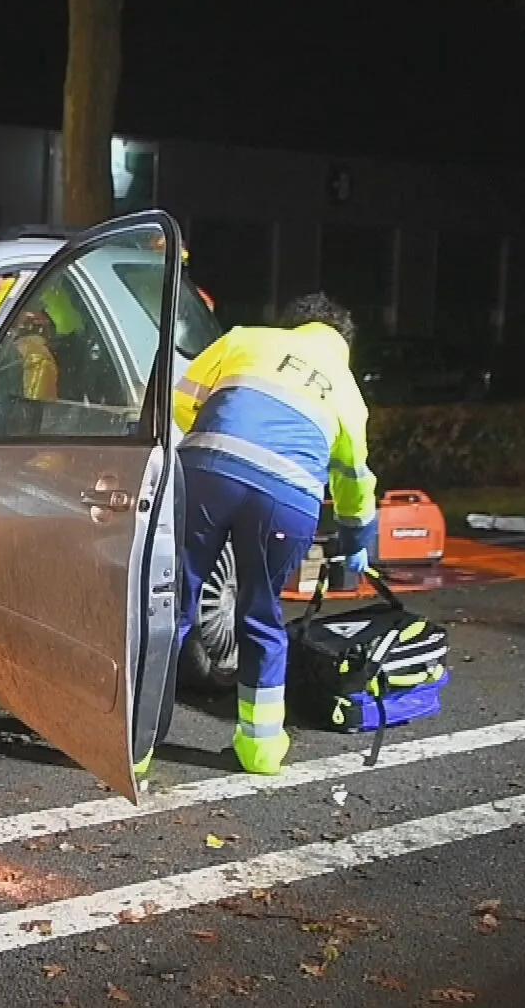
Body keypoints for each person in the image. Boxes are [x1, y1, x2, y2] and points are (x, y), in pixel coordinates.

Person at [165, 293, 377, 777]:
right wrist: (358, 537)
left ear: (291, 324)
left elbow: (182, 396)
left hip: (207, 473)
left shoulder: (246, 339)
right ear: (342, 342)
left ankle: (138, 743)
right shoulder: (344, 386)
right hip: (287, 500)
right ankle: (260, 752)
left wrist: (210, 440)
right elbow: (353, 474)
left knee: (173, 605)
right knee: (262, 618)